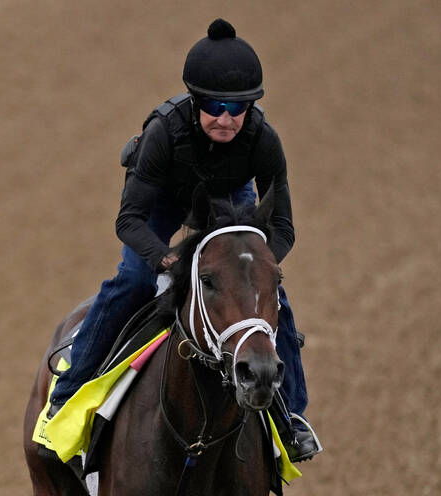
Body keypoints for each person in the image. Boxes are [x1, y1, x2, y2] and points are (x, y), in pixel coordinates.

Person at [46, 18, 321, 461]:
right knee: (133, 282)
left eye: (239, 108)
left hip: (229, 201)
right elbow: (129, 221)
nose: (227, 118)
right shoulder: (162, 133)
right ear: (196, 101)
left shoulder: (265, 141)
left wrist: (256, 265)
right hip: (163, 201)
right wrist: (165, 260)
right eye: (215, 106)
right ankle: (68, 393)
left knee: (272, 298)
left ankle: (292, 420)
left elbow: (283, 226)